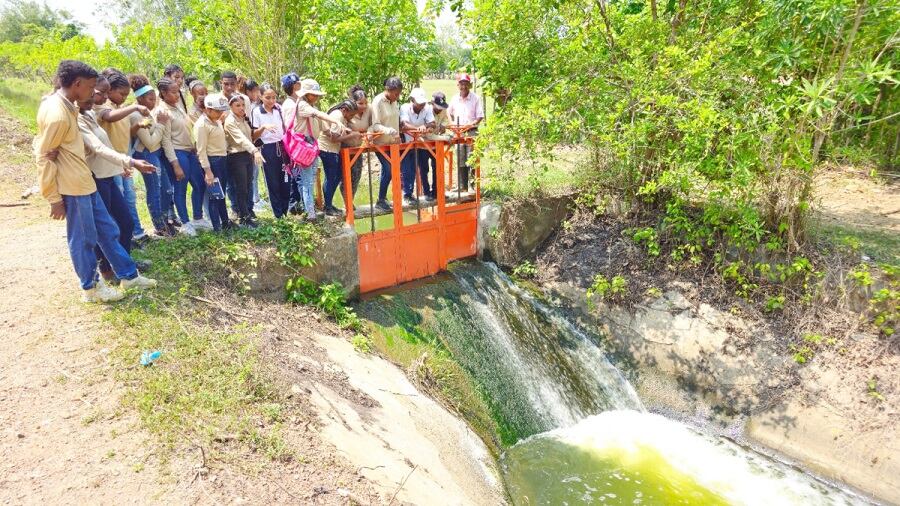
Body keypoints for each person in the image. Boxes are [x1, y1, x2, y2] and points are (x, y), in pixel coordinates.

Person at [35, 60, 156, 303]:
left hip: (86, 181)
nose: (95, 93)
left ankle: (128, 275)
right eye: (92, 88)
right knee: (84, 237)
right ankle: (90, 287)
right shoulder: (58, 113)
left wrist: (128, 162)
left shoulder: (70, 108)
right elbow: (43, 155)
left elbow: (94, 144)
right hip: (73, 186)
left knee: (108, 229)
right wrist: (53, 198)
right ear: (77, 84)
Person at [75, 84, 157, 279]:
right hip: (96, 178)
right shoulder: (80, 119)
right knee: (105, 228)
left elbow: (107, 144)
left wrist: (121, 167)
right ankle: (107, 270)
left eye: (104, 93)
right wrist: (130, 161)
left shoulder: (90, 114)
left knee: (125, 223)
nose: (103, 98)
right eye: (99, 93)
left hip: (109, 175)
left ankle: (124, 263)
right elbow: (97, 148)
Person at [95, 68, 149, 244]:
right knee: (118, 204)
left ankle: (135, 234)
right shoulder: (102, 107)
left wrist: (138, 125)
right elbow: (109, 118)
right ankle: (120, 240)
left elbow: (126, 133)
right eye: (122, 94)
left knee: (130, 199)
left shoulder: (121, 108)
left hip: (125, 158)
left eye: (127, 95)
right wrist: (133, 106)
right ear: (109, 91)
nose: (124, 98)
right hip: (111, 162)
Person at [290, 78, 348, 221]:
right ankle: (310, 213)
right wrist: (335, 120)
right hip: (304, 148)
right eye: (313, 94)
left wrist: (340, 132)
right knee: (307, 181)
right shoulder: (303, 106)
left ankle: (309, 209)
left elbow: (325, 129)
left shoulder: (312, 108)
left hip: (312, 148)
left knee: (308, 180)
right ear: (306, 94)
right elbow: (318, 115)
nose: (316, 97)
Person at [158, 77, 209, 235]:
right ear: (163, 93)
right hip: (178, 153)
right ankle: (185, 223)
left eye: (178, 92)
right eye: (173, 92)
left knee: (200, 184)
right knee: (181, 188)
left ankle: (198, 218)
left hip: (189, 151)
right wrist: (175, 164)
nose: (177, 95)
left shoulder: (178, 107)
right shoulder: (164, 111)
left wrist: (193, 146)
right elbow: (166, 140)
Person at [127, 73, 175, 237]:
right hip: (146, 154)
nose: (153, 102)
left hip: (155, 154)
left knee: (166, 190)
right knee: (155, 190)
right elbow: (151, 142)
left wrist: (158, 125)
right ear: (139, 99)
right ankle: (159, 226)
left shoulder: (148, 112)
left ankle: (164, 220)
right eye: (149, 99)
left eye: (154, 99)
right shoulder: (136, 115)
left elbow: (155, 135)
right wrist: (161, 124)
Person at [224, 94, 265, 227]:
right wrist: (255, 151)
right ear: (230, 107)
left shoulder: (243, 119)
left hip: (247, 155)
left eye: (243, 105)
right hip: (237, 157)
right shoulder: (230, 121)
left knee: (248, 186)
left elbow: (249, 136)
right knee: (241, 188)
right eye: (238, 105)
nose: (241, 108)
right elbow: (240, 139)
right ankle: (244, 217)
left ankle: (247, 213)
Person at [194, 93, 233, 231]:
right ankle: (217, 227)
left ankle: (226, 222)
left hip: (222, 159)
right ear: (208, 109)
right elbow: (201, 150)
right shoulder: (201, 125)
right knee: (215, 196)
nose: (219, 113)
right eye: (217, 111)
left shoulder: (216, 121)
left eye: (221, 111)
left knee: (221, 195)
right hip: (212, 162)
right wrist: (208, 171)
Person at [251, 83, 290, 218]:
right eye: (268, 97)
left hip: (282, 146)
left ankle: (285, 211)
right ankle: (278, 214)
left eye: (274, 97)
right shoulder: (256, 111)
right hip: (268, 148)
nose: (272, 101)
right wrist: (263, 128)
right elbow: (253, 135)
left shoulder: (278, 109)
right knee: (272, 182)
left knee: (286, 180)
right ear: (261, 97)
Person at [318, 99, 361, 216]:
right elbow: (334, 138)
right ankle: (327, 207)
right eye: (351, 115)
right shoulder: (339, 116)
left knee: (334, 177)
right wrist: (352, 135)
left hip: (330, 149)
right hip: (328, 149)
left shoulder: (340, 115)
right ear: (344, 110)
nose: (351, 117)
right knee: (332, 178)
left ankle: (329, 204)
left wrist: (347, 130)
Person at [370, 77, 403, 211]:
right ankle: (380, 200)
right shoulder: (378, 101)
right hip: (381, 143)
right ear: (388, 90)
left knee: (390, 170)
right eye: (396, 93)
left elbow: (395, 119)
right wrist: (388, 130)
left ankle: (384, 198)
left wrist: (398, 133)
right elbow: (375, 124)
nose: (398, 96)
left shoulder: (394, 102)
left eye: (399, 93)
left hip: (393, 143)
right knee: (388, 170)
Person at [447, 73, 484, 191]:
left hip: (471, 131)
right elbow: (448, 112)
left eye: (466, 84)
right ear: (458, 85)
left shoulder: (475, 98)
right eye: (461, 84)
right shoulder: (454, 98)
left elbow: (480, 116)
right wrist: (451, 122)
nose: (464, 87)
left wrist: (472, 124)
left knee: (471, 159)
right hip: (459, 132)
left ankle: (473, 186)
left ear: (470, 85)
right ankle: (462, 186)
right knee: (460, 158)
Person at [399, 87, 435, 204]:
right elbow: (404, 125)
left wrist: (426, 126)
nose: (421, 105)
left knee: (422, 168)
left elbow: (432, 123)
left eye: (423, 103)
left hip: (421, 143)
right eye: (419, 103)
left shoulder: (427, 107)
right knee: (407, 168)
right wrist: (421, 128)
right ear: (412, 100)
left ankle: (425, 192)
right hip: (407, 143)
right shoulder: (404, 108)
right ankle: (407, 194)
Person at [342, 84, 371, 203]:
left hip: (358, 147)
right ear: (354, 103)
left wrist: (368, 133)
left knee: (357, 175)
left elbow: (373, 124)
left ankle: (350, 200)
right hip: (345, 147)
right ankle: (345, 202)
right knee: (344, 176)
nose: (363, 106)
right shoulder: (347, 111)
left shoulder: (369, 110)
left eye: (365, 103)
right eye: (360, 103)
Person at [423, 91, 451, 198]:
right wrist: (444, 138)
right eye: (437, 106)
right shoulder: (426, 111)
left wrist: (443, 126)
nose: (440, 109)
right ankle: (426, 193)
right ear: (432, 103)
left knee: (438, 167)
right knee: (424, 168)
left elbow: (445, 120)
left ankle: (437, 192)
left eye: (441, 107)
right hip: (424, 143)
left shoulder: (443, 110)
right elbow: (428, 135)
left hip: (436, 143)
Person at [242, 79, 264, 213]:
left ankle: (256, 198)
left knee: (255, 173)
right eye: (256, 91)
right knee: (252, 175)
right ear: (249, 91)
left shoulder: (254, 105)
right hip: (250, 145)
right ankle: (255, 200)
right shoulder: (247, 106)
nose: (257, 94)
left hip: (254, 144)